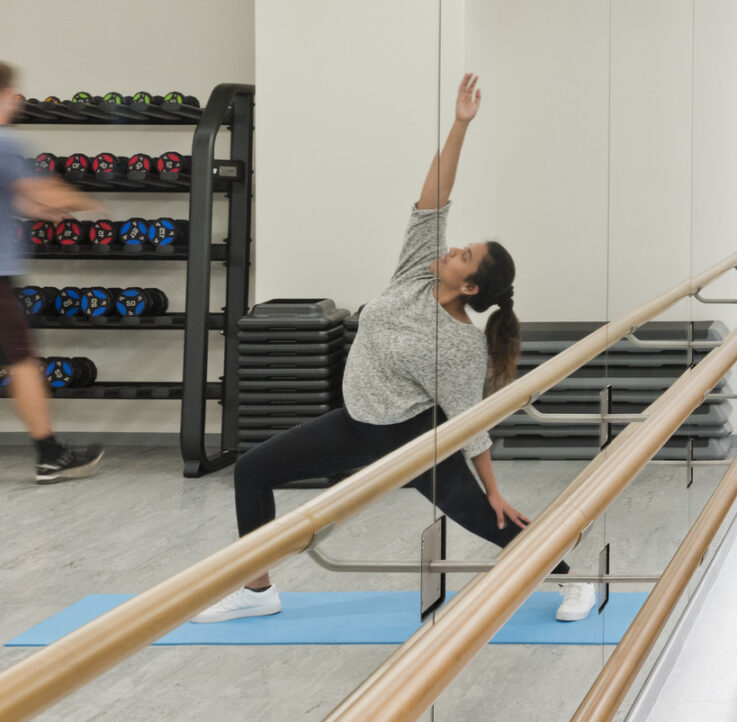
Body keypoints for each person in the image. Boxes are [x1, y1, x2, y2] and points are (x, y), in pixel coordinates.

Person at [195, 74, 595, 623]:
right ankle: (258, 589)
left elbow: (468, 422)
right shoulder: (416, 273)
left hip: (411, 437)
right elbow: (435, 197)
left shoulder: (459, 344)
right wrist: (460, 125)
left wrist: (494, 487)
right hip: (358, 421)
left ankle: (574, 580)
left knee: (484, 516)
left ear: (470, 287)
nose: (453, 248)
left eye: (464, 256)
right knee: (253, 471)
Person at [2, 63, 106, 484]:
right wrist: (89, 204)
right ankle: (50, 455)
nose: (17, 103)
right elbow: (38, 190)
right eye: (12, 96)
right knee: (23, 361)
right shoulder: (4, 143)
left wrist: (44, 210)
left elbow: (21, 200)